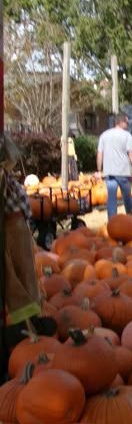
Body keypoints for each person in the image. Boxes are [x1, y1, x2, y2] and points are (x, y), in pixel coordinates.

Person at [1, 133, 56, 352]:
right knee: (19, 277)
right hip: (13, 230)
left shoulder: (4, 179)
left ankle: (28, 322)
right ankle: (27, 323)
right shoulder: (4, 179)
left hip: (14, 229)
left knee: (20, 277)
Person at [96, 112, 132, 219]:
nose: (127, 126)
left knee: (111, 198)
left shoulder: (104, 135)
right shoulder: (127, 135)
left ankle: (112, 220)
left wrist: (99, 170)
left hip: (109, 172)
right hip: (124, 172)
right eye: (127, 123)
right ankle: (130, 216)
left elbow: (100, 153)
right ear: (122, 122)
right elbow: (131, 154)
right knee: (127, 196)